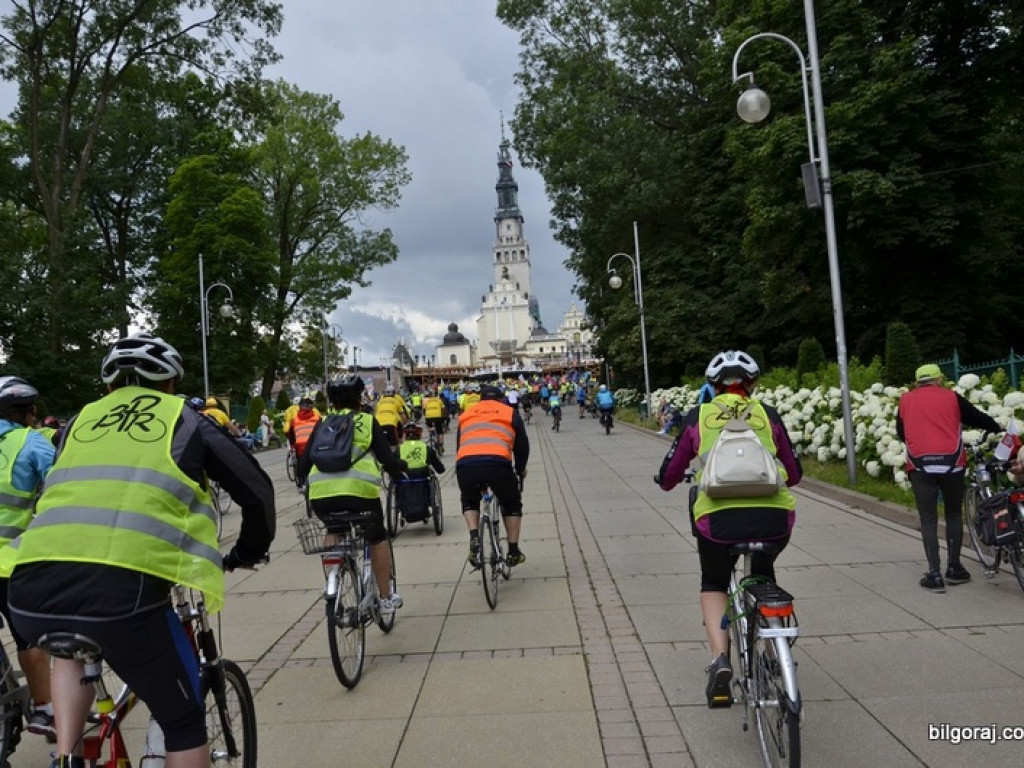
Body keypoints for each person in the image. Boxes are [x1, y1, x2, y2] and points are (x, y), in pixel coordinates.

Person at [2, 332, 275, 768]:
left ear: (109, 387)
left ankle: (69, 756)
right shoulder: (186, 419)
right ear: (170, 384)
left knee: (71, 650)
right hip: (123, 593)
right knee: (183, 724)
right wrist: (247, 551)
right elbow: (256, 493)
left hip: (30, 586)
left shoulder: (76, 424)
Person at [656, 350, 801, 709]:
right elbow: (794, 473)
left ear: (714, 385)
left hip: (717, 521)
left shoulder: (699, 416)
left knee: (715, 581)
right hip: (774, 518)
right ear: (751, 384)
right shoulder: (767, 415)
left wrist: (667, 478)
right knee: (764, 572)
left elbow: (670, 474)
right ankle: (771, 646)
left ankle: (721, 659)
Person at [299, 375, 407, 616]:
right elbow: (386, 459)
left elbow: (303, 465)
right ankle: (386, 596)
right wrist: (399, 471)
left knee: (333, 530)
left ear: (332, 402)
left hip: (322, 496)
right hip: (360, 495)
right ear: (359, 400)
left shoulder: (322, 423)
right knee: (377, 538)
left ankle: (334, 582)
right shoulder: (367, 421)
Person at [896, 363, 1000, 592]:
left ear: (917, 382)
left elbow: (901, 432)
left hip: (920, 464)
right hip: (952, 463)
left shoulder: (905, 401)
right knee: (953, 513)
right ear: (939, 380)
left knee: (928, 518)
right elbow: (977, 418)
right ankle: (954, 567)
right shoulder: (952, 397)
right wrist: (997, 427)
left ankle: (934, 574)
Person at [0, 376, 57, 738]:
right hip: (10, 564)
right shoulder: (30, 441)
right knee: (30, 638)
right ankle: (45, 711)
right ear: (31, 413)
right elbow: (63, 487)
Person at [456, 384, 530, 567]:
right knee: (511, 502)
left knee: (470, 500)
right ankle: (513, 551)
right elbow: (522, 445)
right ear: (500, 398)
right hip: (497, 464)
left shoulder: (466, 414)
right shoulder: (509, 412)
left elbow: (460, 444)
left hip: (466, 464)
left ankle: (474, 536)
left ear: (481, 399)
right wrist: (521, 469)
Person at [395, 422, 447, 525]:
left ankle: (400, 505)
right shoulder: (426, 448)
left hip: (405, 478)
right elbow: (439, 469)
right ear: (419, 435)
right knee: (429, 475)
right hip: (421, 477)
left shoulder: (399, 449)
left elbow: (391, 464)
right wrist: (441, 469)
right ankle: (426, 504)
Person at [286, 396, 321, 464]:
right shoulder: (318, 418)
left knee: (301, 470)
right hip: (316, 447)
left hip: (301, 449)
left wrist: (292, 446)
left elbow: (291, 436)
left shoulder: (294, 420)